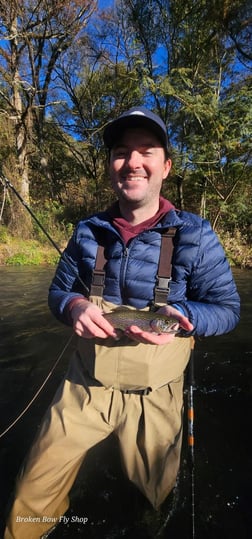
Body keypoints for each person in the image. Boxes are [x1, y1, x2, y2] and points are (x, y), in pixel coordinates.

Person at [4, 106, 240, 538]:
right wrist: (73, 306)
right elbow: (59, 292)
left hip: (157, 391)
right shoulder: (86, 232)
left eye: (146, 151)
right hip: (85, 384)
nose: (133, 161)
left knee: (156, 498)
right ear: (110, 166)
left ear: (165, 166)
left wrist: (184, 315)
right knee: (29, 497)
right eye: (120, 152)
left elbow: (226, 309)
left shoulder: (196, 234)